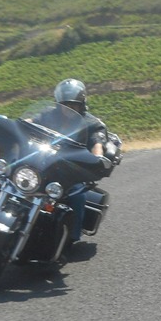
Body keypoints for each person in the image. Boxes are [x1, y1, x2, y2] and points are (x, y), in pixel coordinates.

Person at [42, 78, 119, 244]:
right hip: (44, 162)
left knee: (77, 195)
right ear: (58, 104)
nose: (69, 108)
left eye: (73, 105)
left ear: (81, 104)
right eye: (65, 105)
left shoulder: (92, 123)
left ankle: (71, 237)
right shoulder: (48, 115)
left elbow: (98, 143)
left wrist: (97, 158)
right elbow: (30, 123)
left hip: (72, 170)